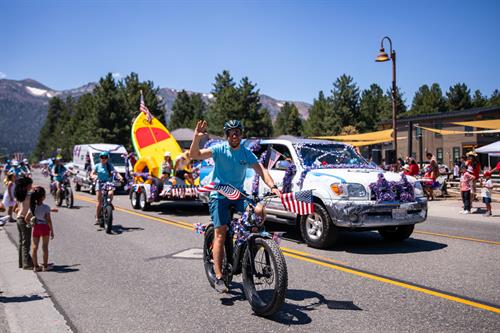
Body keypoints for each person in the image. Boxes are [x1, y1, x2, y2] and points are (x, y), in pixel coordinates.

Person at [189, 119, 281, 293]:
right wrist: (196, 137)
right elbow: (195, 155)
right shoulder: (219, 150)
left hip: (238, 195)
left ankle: (253, 245)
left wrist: (273, 187)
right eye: (231, 132)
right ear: (226, 135)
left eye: (237, 132)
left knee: (259, 211)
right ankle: (218, 277)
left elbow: (262, 171)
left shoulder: (246, 153)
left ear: (241, 134)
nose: (234, 135)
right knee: (221, 234)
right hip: (219, 195)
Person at [25, 186, 54, 271]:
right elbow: (49, 220)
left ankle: (36, 266)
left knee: (34, 247)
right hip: (45, 227)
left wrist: (31, 224)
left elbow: (26, 219)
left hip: (36, 227)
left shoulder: (33, 207)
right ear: (43, 197)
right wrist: (52, 231)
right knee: (45, 247)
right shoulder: (46, 207)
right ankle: (45, 266)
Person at [91, 152, 123, 228]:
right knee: (99, 202)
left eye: (105, 157)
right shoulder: (97, 166)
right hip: (99, 183)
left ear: (107, 158)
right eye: (102, 157)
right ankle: (97, 217)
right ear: (100, 158)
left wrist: (120, 177)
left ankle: (109, 202)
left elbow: (116, 172)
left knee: (111, 193)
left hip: (108, 182)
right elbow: (92, 173)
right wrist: (94, 176)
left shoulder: (109, 165)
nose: (104, 159)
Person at [14, 176, 34, 269]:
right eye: (30, 184)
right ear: (27, 185)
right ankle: (26, 264)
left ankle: (21, 262)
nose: (31, 186)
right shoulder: (29, 196)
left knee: (21, 242)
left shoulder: (20, 195)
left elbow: (15, 209)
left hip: (18, 218)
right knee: (26, 242)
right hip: (25, 220)